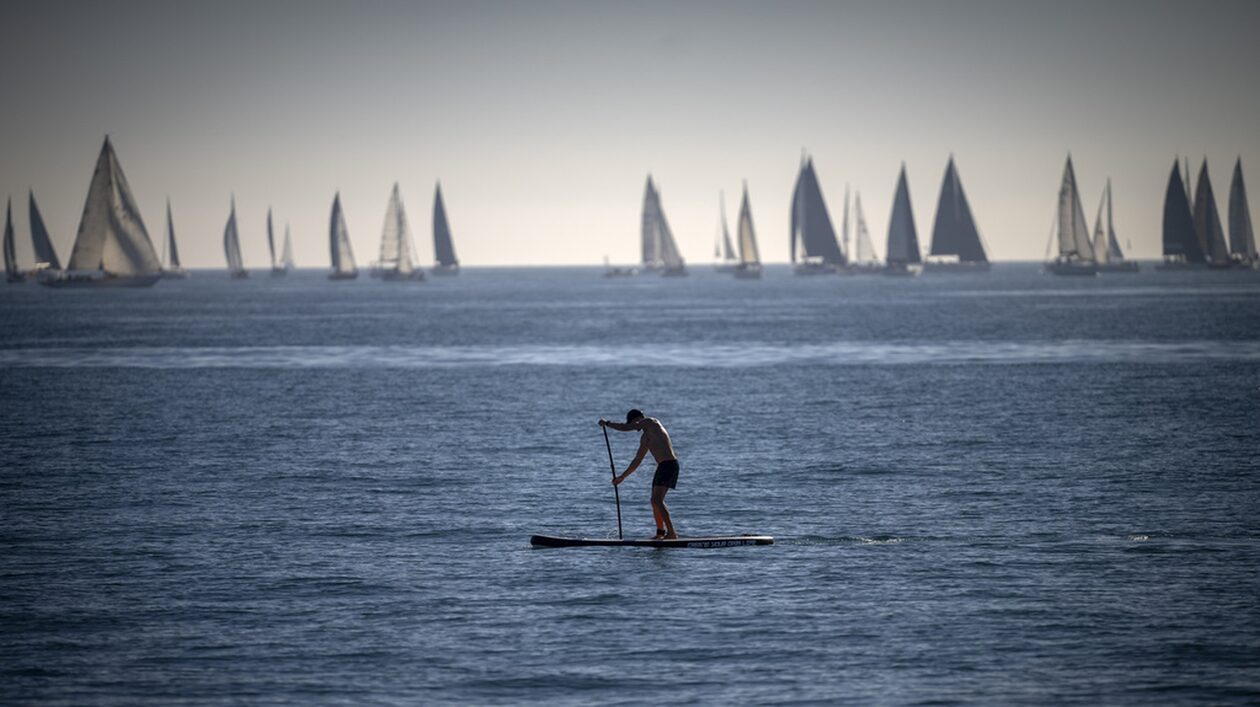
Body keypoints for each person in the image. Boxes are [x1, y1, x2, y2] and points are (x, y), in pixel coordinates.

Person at [599, 409, 679, 539]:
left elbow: (627, 427)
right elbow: (637, 460)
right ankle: (660, 533)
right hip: (662, 467)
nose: (635, 425)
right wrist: (621, 477)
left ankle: (672, 533)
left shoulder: (651, 422)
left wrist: (607, 423)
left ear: (640, 418)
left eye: (635, 422)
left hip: (670, 465)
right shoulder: (645, 438)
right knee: (654, 501)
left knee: (657, 500)